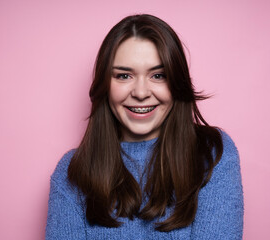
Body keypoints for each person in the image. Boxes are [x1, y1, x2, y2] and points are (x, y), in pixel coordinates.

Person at [45, 14, 243, 239]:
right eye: (124, 75)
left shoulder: (213, 156)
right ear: (105, 85)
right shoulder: (71, 173)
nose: (140, 93)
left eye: (158, 75)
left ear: (177, 83)